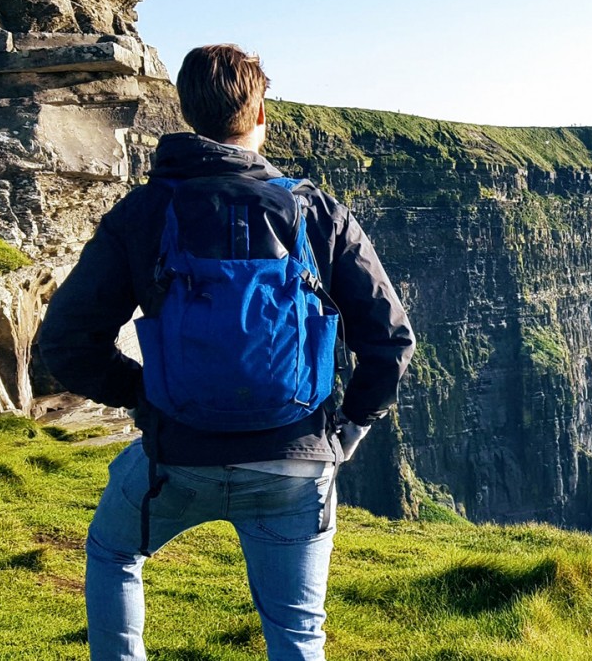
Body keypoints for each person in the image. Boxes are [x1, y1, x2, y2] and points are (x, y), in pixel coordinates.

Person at [38, 44, 416, 661]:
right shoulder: (315, 211)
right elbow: (390, 339)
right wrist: (346, 432)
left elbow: (66, 342)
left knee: (114, 554)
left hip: (175, 457)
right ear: (260, 111)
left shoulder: (143, 213)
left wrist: (143, 395)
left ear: (187, 112)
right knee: (296, 634)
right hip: (295, 461)